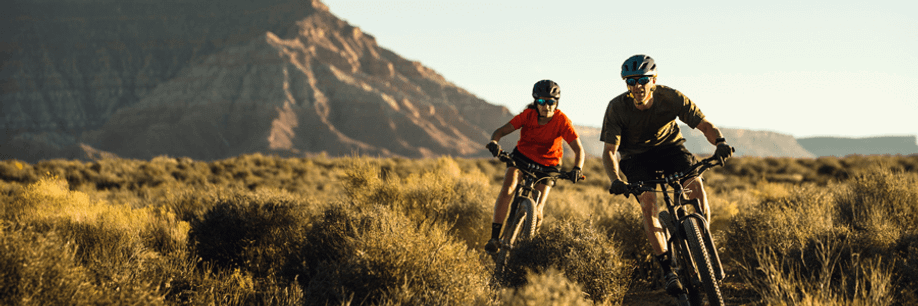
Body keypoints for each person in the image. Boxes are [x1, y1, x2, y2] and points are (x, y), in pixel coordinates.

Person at [600, 55, 734, 296]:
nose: (638, 86)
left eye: (643, 80)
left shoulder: (671, 98)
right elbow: (610, 151)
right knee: (648, 203)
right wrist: (615, 180)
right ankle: (668, 268)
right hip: (635, 157)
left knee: (695, 185)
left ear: (654, 80)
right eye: (631, 81)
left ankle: (701, 244)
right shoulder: (617, 108)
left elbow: (704, 126)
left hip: (671, 149)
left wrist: (720, 142)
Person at [484, 79, 585, 254]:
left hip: (549, 165)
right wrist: (494, 142)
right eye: (541, 101)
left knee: (538, 209)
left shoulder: (561, 120)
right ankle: (494, 238)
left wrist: (577, 169)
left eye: (551, 102)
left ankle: (529, 247)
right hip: (521, 158)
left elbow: (579, 150)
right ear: (536, 102)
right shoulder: (528, 115)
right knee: (508, 189)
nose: (546, 106)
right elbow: (500, 131)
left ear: (556, 103)